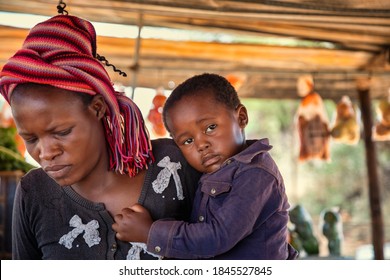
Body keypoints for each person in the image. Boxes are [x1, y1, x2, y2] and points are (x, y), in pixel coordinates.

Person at [0, 14, 201, 260]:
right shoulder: (34, 192)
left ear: (98, 108)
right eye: (30, 139)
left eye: (62, 132)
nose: (46, 152)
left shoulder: (176, 165)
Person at [113, 73, 298, 259]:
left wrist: (150, 233)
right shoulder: (211, 172)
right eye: (188, 140)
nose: (201, 145)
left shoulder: (256, 175)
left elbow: (216, 237)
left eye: (210, 128)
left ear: (241, 118)